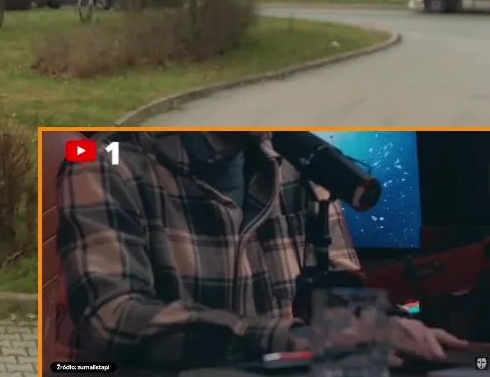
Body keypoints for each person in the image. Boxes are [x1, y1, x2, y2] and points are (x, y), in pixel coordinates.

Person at [55, 131, 467, 370]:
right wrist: (295, 338)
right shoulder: (105, 162)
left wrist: (384, 326)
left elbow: (337, 291)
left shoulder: (301, 166)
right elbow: (113, 319)